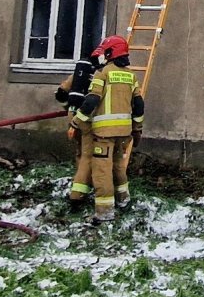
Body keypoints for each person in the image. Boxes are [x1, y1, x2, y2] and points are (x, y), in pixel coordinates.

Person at [75, 35, 144, 222]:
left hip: (104, 134)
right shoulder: (131, 75)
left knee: (102, 171)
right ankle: (123, 199)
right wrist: (137, 128)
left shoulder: (103, 73)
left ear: (110, 53)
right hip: (123, 132)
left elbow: (92, 99)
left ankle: (104, 212)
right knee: (118, 166)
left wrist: (77, 121)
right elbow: (139, 105)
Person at [56, 52, 99, 210]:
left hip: (73, 117)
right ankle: (78, 193)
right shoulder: (99, 73)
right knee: (88, 155)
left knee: (80, 152)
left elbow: (61, 93)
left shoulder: (80, 72)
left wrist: (69, 108)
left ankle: (80, 179)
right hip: (87, 119)